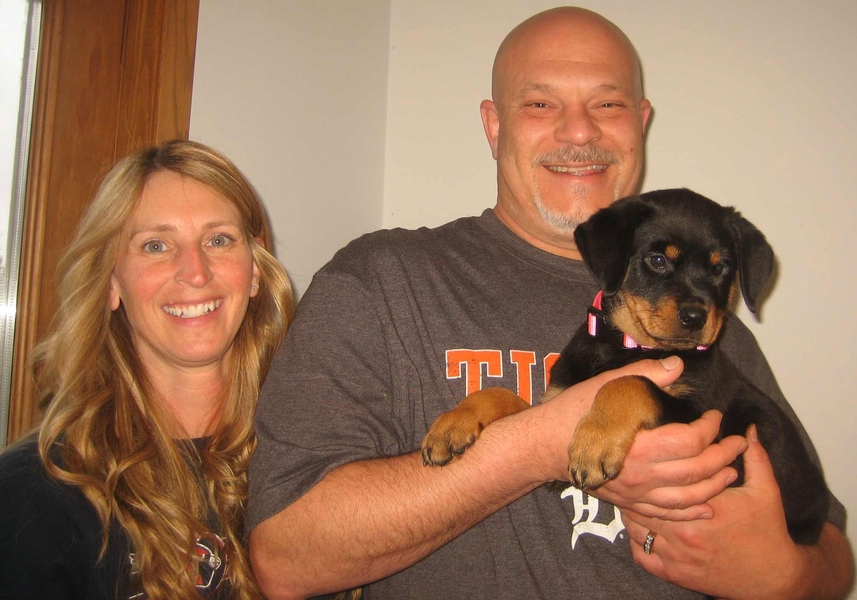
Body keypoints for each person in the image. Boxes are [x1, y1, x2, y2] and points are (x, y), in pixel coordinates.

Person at [247, 7, 853, 600]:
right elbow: (286, 559)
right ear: (494, 126)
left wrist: (784, 578)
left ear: (641, 122)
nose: (580, 131)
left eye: (608, 104)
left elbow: (827, 546)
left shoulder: (706, 326)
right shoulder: (384, 281)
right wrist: (537, 445)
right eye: (540, 103)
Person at [0, 140, 294, 599]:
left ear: (255, 269)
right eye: (156, 246)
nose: (195, 272)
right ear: (111, 281)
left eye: (218, 240)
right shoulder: (34, 495)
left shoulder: (312, 451)